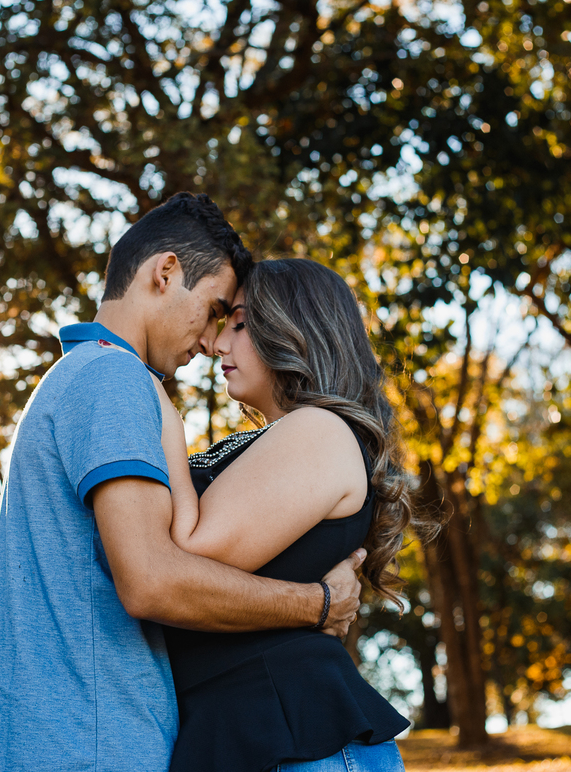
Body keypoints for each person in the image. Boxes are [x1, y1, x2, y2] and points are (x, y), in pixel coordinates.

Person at [0, 194, 366, 772]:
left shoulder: (80, 379)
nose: (212, 341)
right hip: (96, 746)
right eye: (216, 310)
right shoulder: (114, 379)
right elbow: (153, 580)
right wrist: (315, 604)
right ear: (166, 273)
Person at [155, 258, 418, 772]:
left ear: (294, 328)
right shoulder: (272, 440)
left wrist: (163, 418)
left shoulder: (318, 429)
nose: (218, 345)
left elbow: (187, 552)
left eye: (240, 323)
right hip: (241, 734)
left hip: (295, 737)